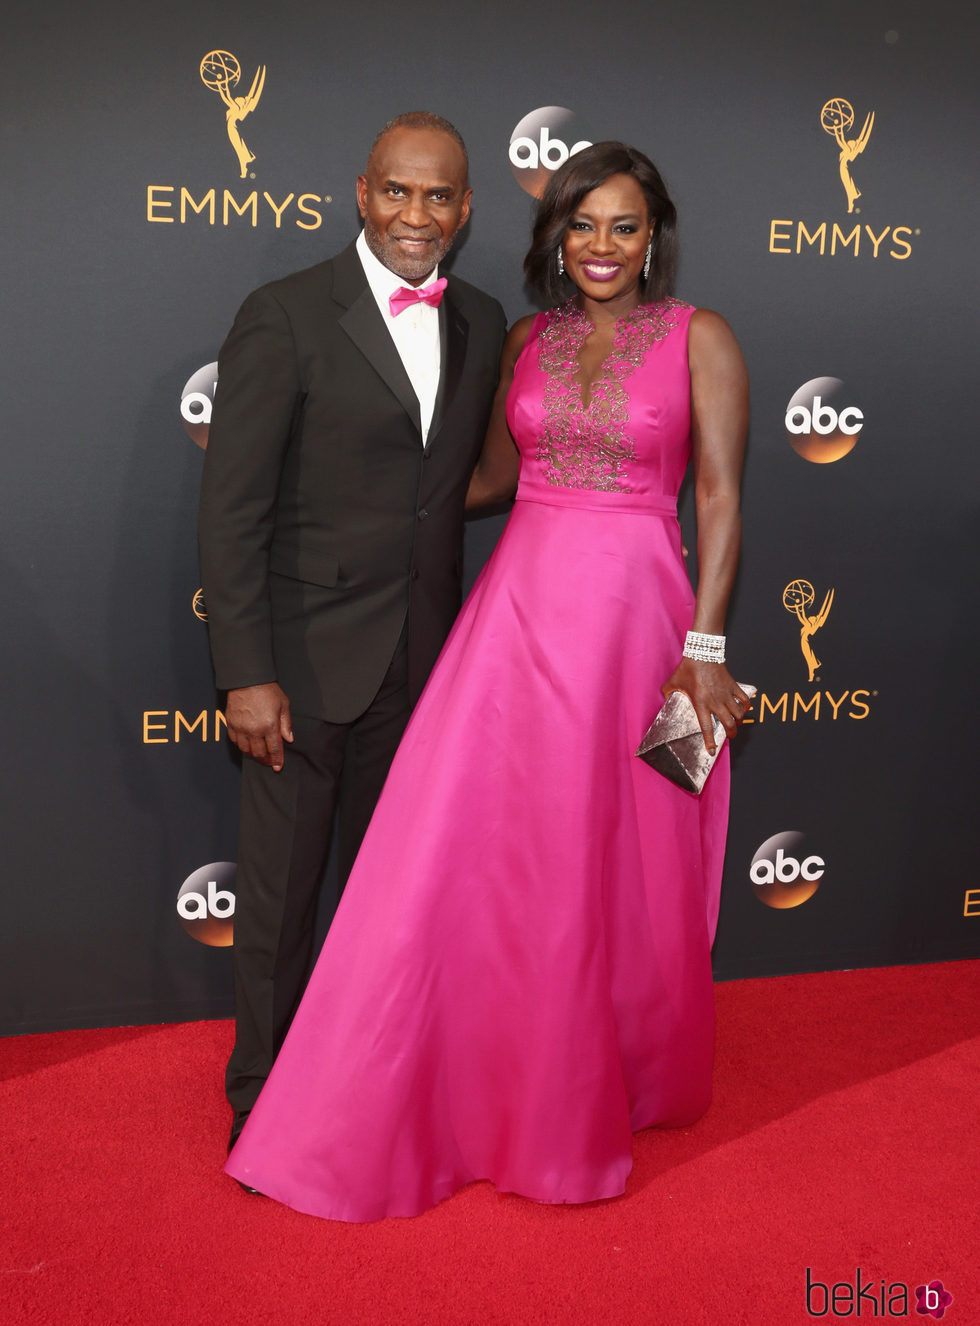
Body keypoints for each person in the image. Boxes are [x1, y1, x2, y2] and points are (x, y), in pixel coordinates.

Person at [225, 141, 751, 1221]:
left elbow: (719, 503)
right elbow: (476, 484)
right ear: (550, 238)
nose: (599, 246)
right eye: (580, 225)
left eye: (621, 225)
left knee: (621, 858)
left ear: (653, 236)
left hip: (637, 624)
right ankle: (466, 1074)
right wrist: (344, 495)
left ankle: (608, 1079)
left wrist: (703, 653)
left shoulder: (701, 339)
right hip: (514, 621)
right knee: (486, 862)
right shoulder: (520, 338)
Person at [198, 112, 506, 1156]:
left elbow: (454, 486)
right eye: (396, 192)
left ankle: (374, 1089)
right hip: (298, 662)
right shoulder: (283, 315)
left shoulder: (479, 316)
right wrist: (245, 671)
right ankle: (264, 1106)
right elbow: (231, 510)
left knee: (392, 901)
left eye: (438, 198)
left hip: (421, 662)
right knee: (281, 905)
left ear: (465, 210)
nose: (415, 215)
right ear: (360, 193)